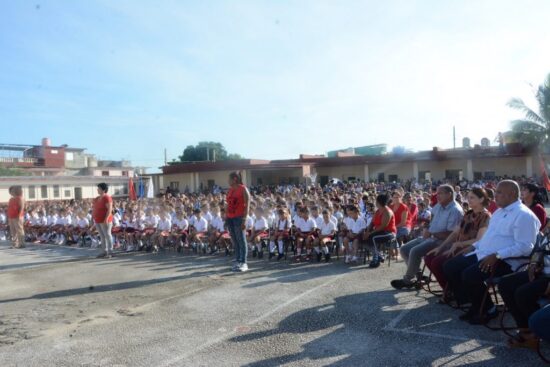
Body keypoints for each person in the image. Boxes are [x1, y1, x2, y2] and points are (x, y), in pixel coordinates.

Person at [442, 180, 540, 324]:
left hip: (506, 260)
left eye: (499, 192)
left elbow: (526, 247)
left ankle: (488, 309)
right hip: (484, 253)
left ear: (512, 193)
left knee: (469, 275)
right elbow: (489, 237)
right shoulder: (499, 212)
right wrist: (473, 246)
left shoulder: (524, 215)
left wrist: (497, 255)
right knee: (451, 266)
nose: (495, 195)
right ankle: (474, 303)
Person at [391, 185, 464, 289]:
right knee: (404, 249)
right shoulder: (438, 206)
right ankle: (419, 276)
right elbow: (431, 222)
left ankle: (407, 280)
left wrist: (432, 233)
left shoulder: (455, 210)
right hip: (431, 237)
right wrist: (427, 227)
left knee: (414, 251)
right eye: (437, 193)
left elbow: (451, 234)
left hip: (442, 242)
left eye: (440, 193)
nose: (437, 195)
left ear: (449, 194)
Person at [424, 188, 491, 293]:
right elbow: (455, 233)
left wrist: (459, 244)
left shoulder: (485, 216)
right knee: (429, 257)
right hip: (458, 247)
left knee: (439, 263)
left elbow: (479, 240)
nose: (469, 200)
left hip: (471, 250)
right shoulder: (468, 214)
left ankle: (455, 292)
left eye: (472, 197)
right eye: (468, 197)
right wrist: (440, 247)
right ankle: (450, 290)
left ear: (481, 199)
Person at [363, 193, 397, 268]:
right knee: (363, 238)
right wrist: (367, 232)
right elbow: (372, 223)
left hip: (389, 233)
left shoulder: (387, 212)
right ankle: (379, 255)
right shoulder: (378, 211)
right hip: (379, 232)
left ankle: (376, 258)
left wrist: (370, 233)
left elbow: (382, 226)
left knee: (373, 238)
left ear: (378, 202)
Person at [226, 171, 250, 272]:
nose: (228, 181)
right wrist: (226, 218)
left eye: (229, 179)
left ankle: (243, 262)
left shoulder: (243, 189)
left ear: (235, 179)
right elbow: (228, 204)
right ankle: (238, 260)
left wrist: (244, 219)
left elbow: (247, 204)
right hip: (230, 218)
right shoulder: (230, 190)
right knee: (235, 240)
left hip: (239, 217)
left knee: (241, 239)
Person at [93, 183, 114, 258]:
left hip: (105, 220)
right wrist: (94, 218)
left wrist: (106, 219)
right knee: (102, 236)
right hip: (98, 220)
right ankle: (104, 251)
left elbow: (110, 209)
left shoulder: (107, 198)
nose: (97, 189)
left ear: (103, 189)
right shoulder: (96, 198)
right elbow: (94, 209)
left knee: (108, 235)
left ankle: (110, 252)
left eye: (99, 188)